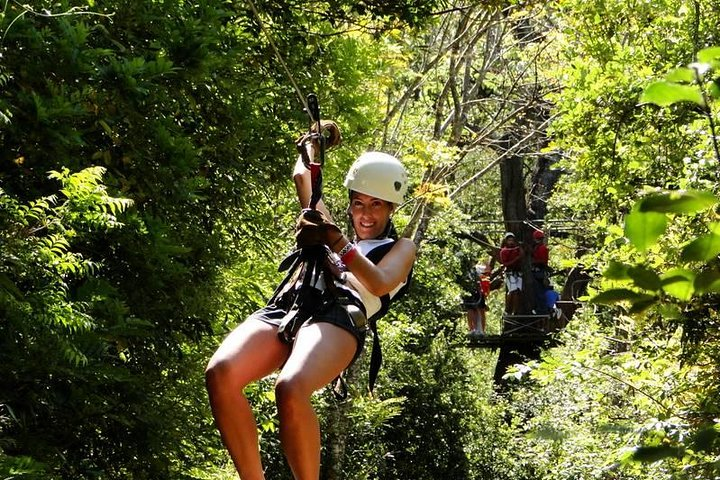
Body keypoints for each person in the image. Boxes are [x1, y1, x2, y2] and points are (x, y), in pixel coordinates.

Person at [204, 123, 416, 480]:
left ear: (391, 208)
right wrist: (313, 143)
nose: (365, 214)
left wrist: (334, 241)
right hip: (294, 304)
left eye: (376, 205)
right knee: (221, 373)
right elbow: (303, 177)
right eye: (358, 204)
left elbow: (379, 282)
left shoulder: (400, 248)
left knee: (290, 387)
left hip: (339, 317)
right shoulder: (331, 230)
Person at [462, 263, 490, 336]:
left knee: (480, 309)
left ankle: (480, 331)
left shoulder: (476, 268)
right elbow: (488, 269)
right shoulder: (464, 269)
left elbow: (488, 269)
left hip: (476, 291)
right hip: (469, 291)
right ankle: (473, 330)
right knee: (471, 309)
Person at [499, 232, 522, 315]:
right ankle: (507, 310)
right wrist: (517, 258)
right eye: (509, 240)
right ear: (506, 241)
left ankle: (516, 311)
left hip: (519, 273)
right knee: (513, 291)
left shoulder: (517, 249)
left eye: (512, 240)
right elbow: (505, 263)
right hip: (510, 273)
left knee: (518, 292)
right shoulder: (504, 251)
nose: (511, 242)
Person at [530, 229, 549, 313]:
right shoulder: (537, 248)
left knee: (539, 291)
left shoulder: (542, 248)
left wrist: (533, 262)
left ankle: (542, 309)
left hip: (540, 271)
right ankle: (540, 308)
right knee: (537, 291)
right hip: (537, 271)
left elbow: (543, 261)